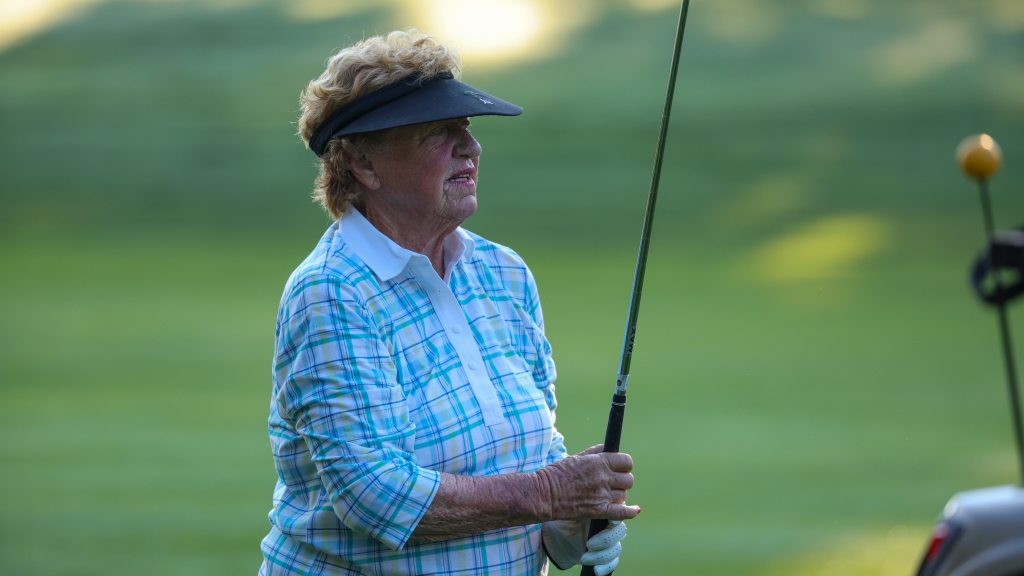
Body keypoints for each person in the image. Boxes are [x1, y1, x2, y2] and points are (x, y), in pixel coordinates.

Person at [259, 30, 638, 576]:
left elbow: (533, 454)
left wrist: (572, 524)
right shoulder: (333, 292)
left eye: (466, 127)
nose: (471, 146)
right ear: (364, 164)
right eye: (439, 132)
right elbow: (374, 494)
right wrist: (550, 493)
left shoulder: (503, 273)